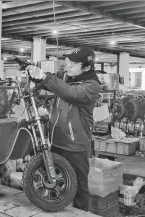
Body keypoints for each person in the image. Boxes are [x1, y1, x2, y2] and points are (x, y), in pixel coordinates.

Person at [26, 46, 101, 211]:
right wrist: (36, 78)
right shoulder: (68, 77)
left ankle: (81, 213)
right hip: (57, 141)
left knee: (79, 186)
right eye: (67, 63)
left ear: (87, 67)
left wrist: (44, 77)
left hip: (75, 146)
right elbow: (54, 84)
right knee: (58, 183)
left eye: (73, 65)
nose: (68, 67)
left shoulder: (91, 86)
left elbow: (69, 93)